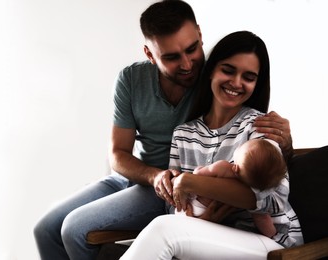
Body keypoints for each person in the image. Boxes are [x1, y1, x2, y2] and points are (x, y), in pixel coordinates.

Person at [33, 1, 293, 259]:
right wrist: (161, 181)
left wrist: (285, 143)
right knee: (46, 229)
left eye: (192, 50)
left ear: (200, 36)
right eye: (171, 57)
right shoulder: (150, 96)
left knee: (75, 228)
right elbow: (118, 153)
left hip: (171, 189)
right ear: (149, 54)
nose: (188, 65)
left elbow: (264, 180)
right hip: (147, 178)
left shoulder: (218, 84)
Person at [120, 30, 303, 260]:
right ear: (211, 71)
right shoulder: (183, 134)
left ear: (257, 83)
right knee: (165, 228)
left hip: (272, 242)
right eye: (228, 70)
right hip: (211, 235)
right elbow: (174, 205)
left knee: (163, 231)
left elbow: (272, 200)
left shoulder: (261, 127)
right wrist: (201, 222)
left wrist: (190, 182)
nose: (236, 83)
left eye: (248, 77)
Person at [175, 138, 287, 238]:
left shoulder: (223, 167)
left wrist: (196, 170)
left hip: (193, 206)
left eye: (242, 147)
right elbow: (262, 219)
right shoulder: (251, 191)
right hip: (209, 216)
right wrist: (273, 235)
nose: (239, 146)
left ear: (236, 168)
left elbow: (197, 175)